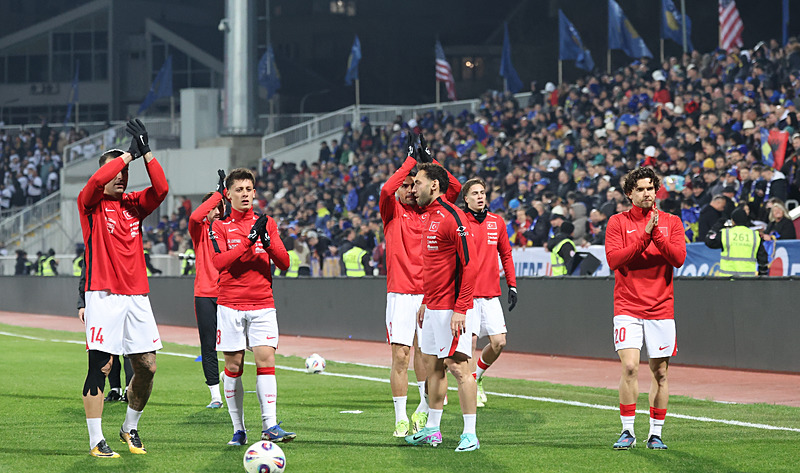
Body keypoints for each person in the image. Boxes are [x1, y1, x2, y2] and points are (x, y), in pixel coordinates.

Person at [78, 119, 168, 458]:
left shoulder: (133, 205)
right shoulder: (90, 204)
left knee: (147, 366)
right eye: (115, 171)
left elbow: (161, 189)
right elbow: (95, 182)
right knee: (101, 366)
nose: (120, 175)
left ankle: (129, 427)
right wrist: (126, 156)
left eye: (124, 172)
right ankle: (96, 440)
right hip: (103, 294)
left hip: (137, 296)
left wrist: (146, 153)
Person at [379, 135, 462, 437]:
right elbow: (386, 189)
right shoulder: (392, 212)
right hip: (401, 294)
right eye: (406, 186)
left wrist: (429, 161)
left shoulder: (432, 212)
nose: (410, 190)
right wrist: (411, 162)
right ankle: (400, 417)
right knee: (401, 355)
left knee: (429, 357)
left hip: (430, 295)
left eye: (415, 185)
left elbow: (454, 187)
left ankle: (423, 409)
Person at [210, 168, 294, 446]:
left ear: (255, 192)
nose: (245, 194)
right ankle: (239, 429)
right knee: (233, 366)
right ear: (229, 194)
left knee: (266, 361)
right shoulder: (220, 226)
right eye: (239, 190)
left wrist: (267, 244)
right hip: (230, 305)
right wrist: (248, 242)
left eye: (249, 189)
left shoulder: (266, 223)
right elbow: (219, 263)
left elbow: (284, 263)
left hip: (262, 304)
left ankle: (270, 425)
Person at [605, 166, 686, 451]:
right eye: (639, 189)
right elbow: (614, 260)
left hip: (661, 308)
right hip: (627, 305)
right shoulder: (618, 222)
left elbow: (678, 258)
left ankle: (656, 434)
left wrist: (657, 236)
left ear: (656, 190)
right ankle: (627, 430)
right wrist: (644, 237)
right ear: (630, 194)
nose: (646, 193)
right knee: (629, 367)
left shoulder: (672, 222)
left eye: (650, 188)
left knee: (660, 372)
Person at [405, 162, 479, 452]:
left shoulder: (452, 216)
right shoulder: (429, 215)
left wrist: (461, 308)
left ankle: (470, 435)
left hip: (452, 308)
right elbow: (435, 267)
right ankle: (432, 430)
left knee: (459, 368)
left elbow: (470, 264)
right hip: (433, 306)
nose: (414, 189)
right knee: (433, 367)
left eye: (418, 183)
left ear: (434, 185)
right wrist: (426, 300)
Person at [459, 177, 517, 408]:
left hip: (491, 294)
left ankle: (477, 377)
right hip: (467, 295)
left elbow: (506, 254)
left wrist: (512, 284)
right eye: (475, 193)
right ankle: (469, 391)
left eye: (482, 192)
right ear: (466, 198)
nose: (480, 196)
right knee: (469, 345)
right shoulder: (459, 221)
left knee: (499, 342)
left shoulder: (497, 221)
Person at [188, 171, 227, 408]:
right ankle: (215, 395)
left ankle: (228, 376)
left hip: (228, 294)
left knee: (234, 345)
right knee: (208, 345)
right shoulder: (199, 229)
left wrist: (222, 197)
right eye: (214, 208)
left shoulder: (228, 229)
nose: (218, 211)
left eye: (221, 207)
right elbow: (195, 216)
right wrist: (218, 194)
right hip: (204, 294)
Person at [705, 208, 768, 276]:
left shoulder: (725, 234)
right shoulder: (755, 235)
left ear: (733, 221)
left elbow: (709, 241)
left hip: (727, 278)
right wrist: (762, 273)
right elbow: (762, 258)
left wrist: (718, 225)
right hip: (747, 278)